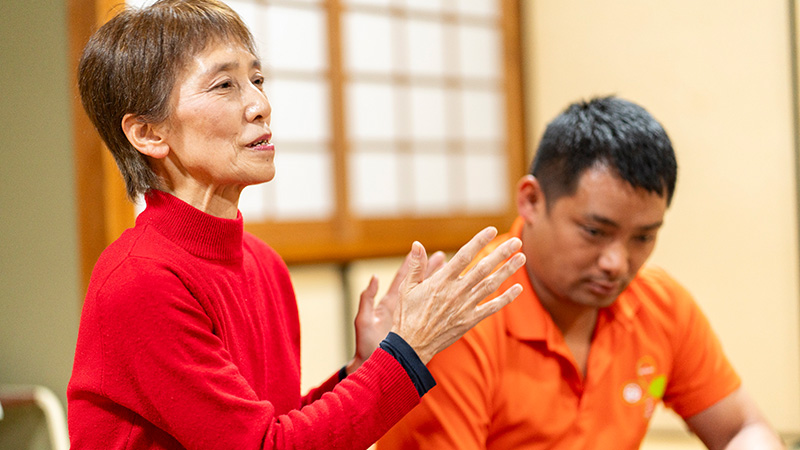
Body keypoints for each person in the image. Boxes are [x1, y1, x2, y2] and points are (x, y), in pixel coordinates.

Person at [66, 1, 527, 449]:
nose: (260, 104)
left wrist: (362, 366)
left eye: (257, 78)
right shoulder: (141, 279)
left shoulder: (264, 264)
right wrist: (408, 354)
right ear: (149, 133)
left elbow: (276, 429)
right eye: (224, 85)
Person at [376, 96, 786, 449]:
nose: (617, 262)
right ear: (532, 201)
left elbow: (742, 427)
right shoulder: (457, 319)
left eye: (643, 237)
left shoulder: (659, 304)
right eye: (595, 231)